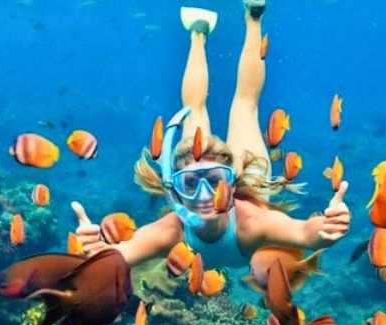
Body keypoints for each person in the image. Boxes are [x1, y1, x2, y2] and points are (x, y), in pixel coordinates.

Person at [71, 1, 351, 270]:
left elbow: (303, 232)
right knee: (224, 109)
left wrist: (325, 229)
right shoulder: (171, 231)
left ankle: (251, 16)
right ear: (175, 189)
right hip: (246, 181)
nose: (205, 195)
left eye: (215, 180)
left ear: (231, 178)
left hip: (251, 186)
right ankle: (198, 32)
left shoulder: (252, 222)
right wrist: (97, 252)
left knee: (241, 106)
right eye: (190, 183)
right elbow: (121, 255)